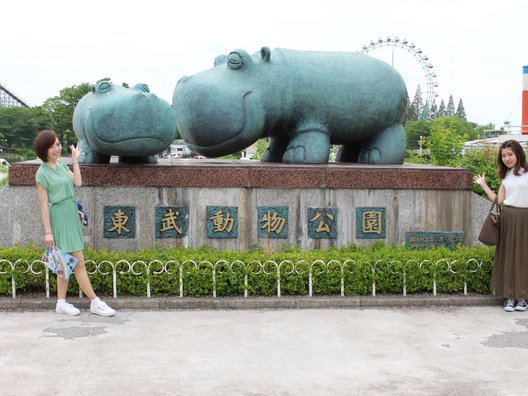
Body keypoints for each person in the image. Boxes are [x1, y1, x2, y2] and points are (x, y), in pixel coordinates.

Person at [34, 130, 115, 317]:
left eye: (57, 144)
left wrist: (75, 160)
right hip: (59, 216)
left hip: (71, 213)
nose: (56, 148)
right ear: (43, 149)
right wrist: (48, 232)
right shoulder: (42, 174)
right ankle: (95, 302)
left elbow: (77, 183)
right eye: (52, 145)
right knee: (78, 263)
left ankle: (61, 302)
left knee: (65, 262)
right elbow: (44, 205)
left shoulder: (61, 165)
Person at [473, 139, 528, 312]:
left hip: (525, 217)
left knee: (523, 256)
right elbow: (498, 201)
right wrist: (483, 185)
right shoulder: (506, 176)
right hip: (508, 217)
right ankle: (510, 296)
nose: (507, 158)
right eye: (503, 155)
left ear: (518, 153)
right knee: (508, 256)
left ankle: (522, 297)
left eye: (510, 154)